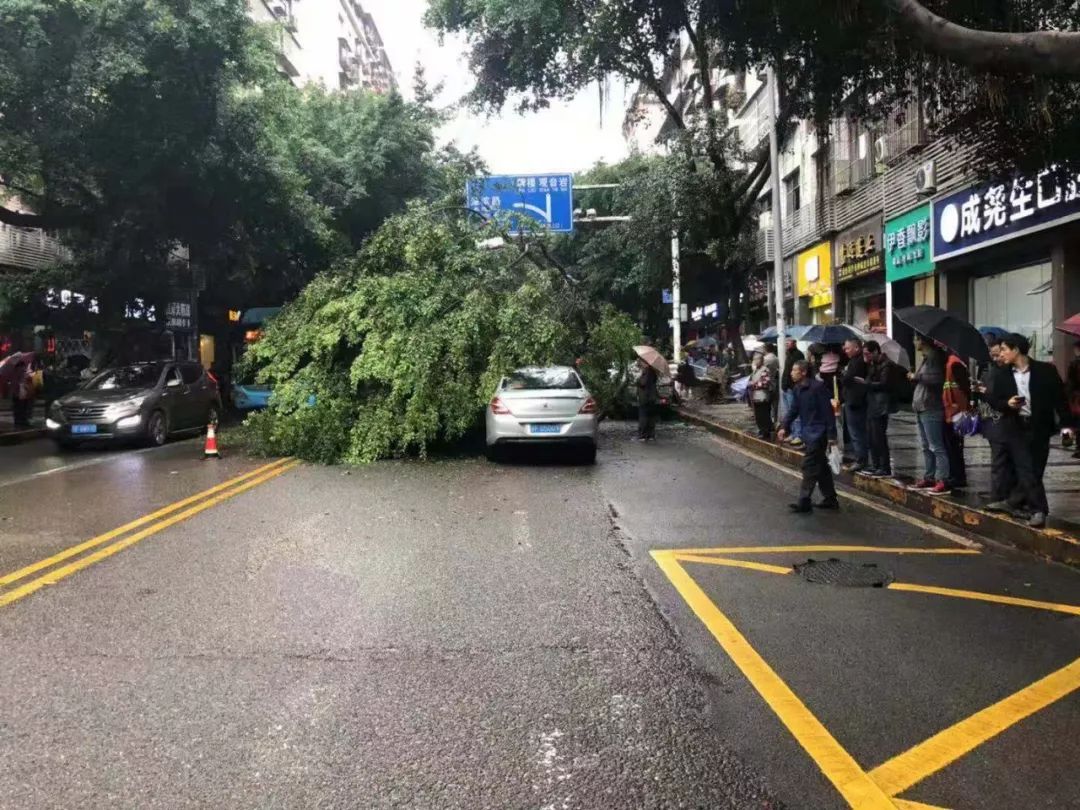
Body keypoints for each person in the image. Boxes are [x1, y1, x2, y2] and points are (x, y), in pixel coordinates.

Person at [985, 333, 1074, 528]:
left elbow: (1060, 400)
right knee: (1026, 468)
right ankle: (1038, 510)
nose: (1001, 355)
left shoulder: (1046, 371)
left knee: (1035, 469)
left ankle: (1013, 502)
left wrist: (1067, 426)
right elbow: (993, 399)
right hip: (1015, 426)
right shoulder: (1002, 374)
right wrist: (1007, 404)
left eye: (1004, 350)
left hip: (1040, 427)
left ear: (1016, 349)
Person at [778, 360, 839, 513]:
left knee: (809, 465)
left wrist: (832, 435)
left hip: (819, 433)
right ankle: (830, 498)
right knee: (822, 467)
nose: (791, 373)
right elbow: (794, 410)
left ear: (804, 372)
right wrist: (784, 427)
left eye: (794, 370)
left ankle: (804, 501)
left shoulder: (818, 388)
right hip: (808, 433)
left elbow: (828, 412)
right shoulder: (798, 389)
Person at [908, 335, 950, 494]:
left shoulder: (935, 358)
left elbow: (936, 380)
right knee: (926, 446)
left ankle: (942, 479)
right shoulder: (926, 359)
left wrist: (916, 376)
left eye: (915, 339)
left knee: (936, 446)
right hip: (921, 406)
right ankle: (929, 476)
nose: (914, 342)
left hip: (931, 406)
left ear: (922, 341)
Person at [863, 341, 895, 477]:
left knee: (879, 437)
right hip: (872, 404)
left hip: (880, 405)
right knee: (871, 437)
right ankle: (875, 465)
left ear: (876, 351)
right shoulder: (873, 365)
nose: (866, 356)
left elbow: (885, 384)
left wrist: (867, 383)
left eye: (868, 354)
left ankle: (884, 467)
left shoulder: (887, 365)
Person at [942, 349, 971, 490]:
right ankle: (955, 476)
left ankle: (958, 477)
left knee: (955, 447)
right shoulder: (951, 363)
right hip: (951, 410)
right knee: (952, 446)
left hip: (957, 412)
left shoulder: (954, 364)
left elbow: (964, 389)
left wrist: (961, 408)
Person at [840, 338, 868, 471]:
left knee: (856, 432)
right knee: (855, 432)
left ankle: (861, 459)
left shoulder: (858, 362)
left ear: (857, 348)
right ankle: (860, 457)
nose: (845, 351)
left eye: (847, 348)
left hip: (855, 401)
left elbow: (847, 379)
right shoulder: (854, 361)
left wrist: (844, 374)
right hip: (852, 400)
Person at [781, 337, 805, 449]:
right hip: (786, 387)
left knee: (795, 413)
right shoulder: (788, 354)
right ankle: (792, 433)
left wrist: (793, 385)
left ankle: (798, 435)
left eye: (788, 342)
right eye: (785, 342)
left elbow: (797, 372)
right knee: (788, 413)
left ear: (794, 343)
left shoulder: (798, 355)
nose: (786, 344)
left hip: (792, 387)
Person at [747, 353, 775, 440]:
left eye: (757, 359)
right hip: (756, 396)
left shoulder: (765, 370)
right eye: (754, 359)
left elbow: (765, 383)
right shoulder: (755, 370)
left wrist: (752, 384)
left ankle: (765, 431)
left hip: (763, 396)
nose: (755, 361)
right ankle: (762, 430)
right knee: (759, 415)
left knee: (764, 414)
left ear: (762, 360)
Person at [636, 357, 659, 442]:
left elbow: (643, 383)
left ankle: (643, 435)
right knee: (651, 417)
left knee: (643, 417)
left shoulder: (647, 371)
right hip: (651, 397)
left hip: (645, 398)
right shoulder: (653, 371)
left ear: (645, 362)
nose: (640, 364)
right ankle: (650, 435)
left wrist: (638, 379)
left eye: (641, 362)